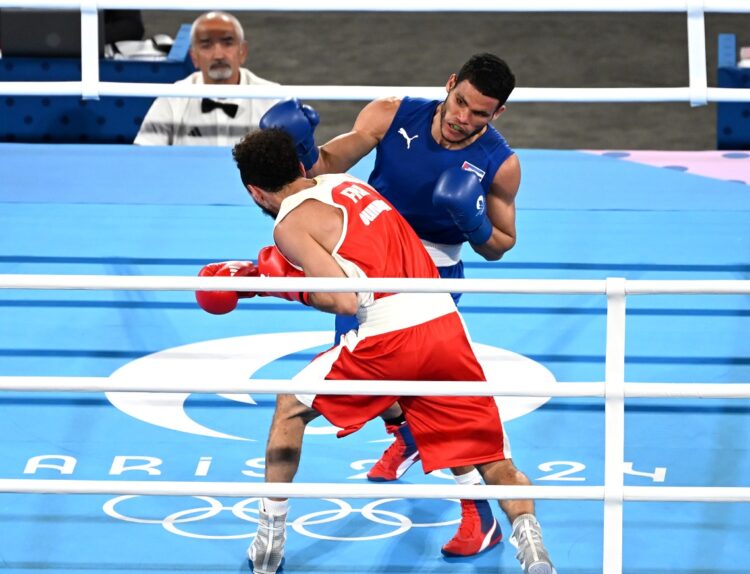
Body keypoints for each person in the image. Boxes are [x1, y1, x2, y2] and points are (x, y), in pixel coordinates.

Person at [194, 128, 555, 574]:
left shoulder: (289, 225)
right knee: (495, 461)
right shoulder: (351, 185)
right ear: (302, 166)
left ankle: (269, 542)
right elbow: (359, 251)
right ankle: (536, 556)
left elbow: (342, 299)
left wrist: (279, 284)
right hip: (445, 324)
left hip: (390, 334)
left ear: (255, 191)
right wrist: (262, 274)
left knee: (290, 407)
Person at [257, 52, 519, 556]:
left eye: (480, 113)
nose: (465, 118)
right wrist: (301, 149)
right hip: (363, 263)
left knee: (428, 394)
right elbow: (327, 165)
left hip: (430, 280)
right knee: (381, 379)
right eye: (460, 102)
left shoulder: (501, 163)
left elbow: (502, 244)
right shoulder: (391, 113)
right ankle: (407, 432)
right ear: (449, 84)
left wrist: (472, 218)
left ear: (497, 114)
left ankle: (477, 515)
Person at [133, 11, 279, 146]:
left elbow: (295, 163)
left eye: (227, 43)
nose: (218, 55)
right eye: (206, 45)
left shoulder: (272, 99)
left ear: (242, 52)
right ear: (194, 57)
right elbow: (143, 155)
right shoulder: (173, 98)